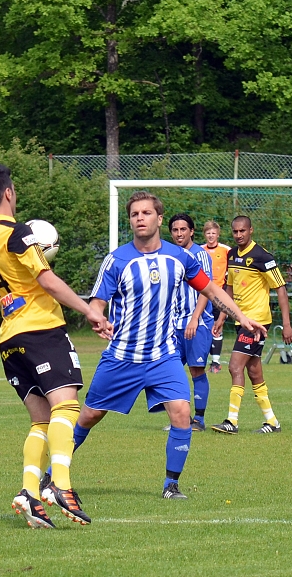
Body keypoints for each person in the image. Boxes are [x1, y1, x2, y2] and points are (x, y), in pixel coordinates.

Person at [75, 192, 265, 500]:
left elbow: (212, 289)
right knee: (89, 417)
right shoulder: (117, 259)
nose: (140, 217)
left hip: (164, 356)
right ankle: (51, 473)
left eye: (146, 213)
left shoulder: (180, 258)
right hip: (122, 356)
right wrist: (97, 318)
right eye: (135, 213)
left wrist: (241, 317)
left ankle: (170, 485)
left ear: (159, 219)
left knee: (181, 412)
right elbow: (97, 302)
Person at [0, 163, 111, 529]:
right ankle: (61, 486)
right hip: (41, 331)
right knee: (66, 407)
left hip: (9, 338)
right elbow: (47, 280)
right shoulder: (17, 234)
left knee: (40, 419)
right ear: (8, 193)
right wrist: (90, 312)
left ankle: (30, 493)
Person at [211, 216, 292, 435]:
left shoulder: (262, 257)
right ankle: (272, 422)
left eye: (243, 231)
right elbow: (228, 289)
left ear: (251, 231)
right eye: (235, 232)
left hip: (257, 323)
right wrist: (221, 317)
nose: (239, 235)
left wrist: (286, 324)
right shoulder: (231, 255)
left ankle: (231, 421)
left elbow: (281, 288)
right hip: (241, 320)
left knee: (234, 366)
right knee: (254, 372)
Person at [168, 214, 214, 431]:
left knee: (196, 370)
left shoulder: (200, 255)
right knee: (171, 370)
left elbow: (206, 288)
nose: (179, 234)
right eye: (175, 230)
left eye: (183, 229)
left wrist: (195, 318)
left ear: (192, 231)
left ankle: (199, 419)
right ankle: (179, 420)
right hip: (172, 324)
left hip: (197, 323)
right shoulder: (170, 255)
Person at [202, 220, 232, 374]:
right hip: (203, 294)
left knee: (217, 327)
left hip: (219, 294)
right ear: (204, 234)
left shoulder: (226, 250)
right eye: (208, 233)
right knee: (203, 327)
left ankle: (215, 362)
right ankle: (201, 359)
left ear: (218, 234)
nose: (211, 236)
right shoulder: (200, 250)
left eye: (213, 233)